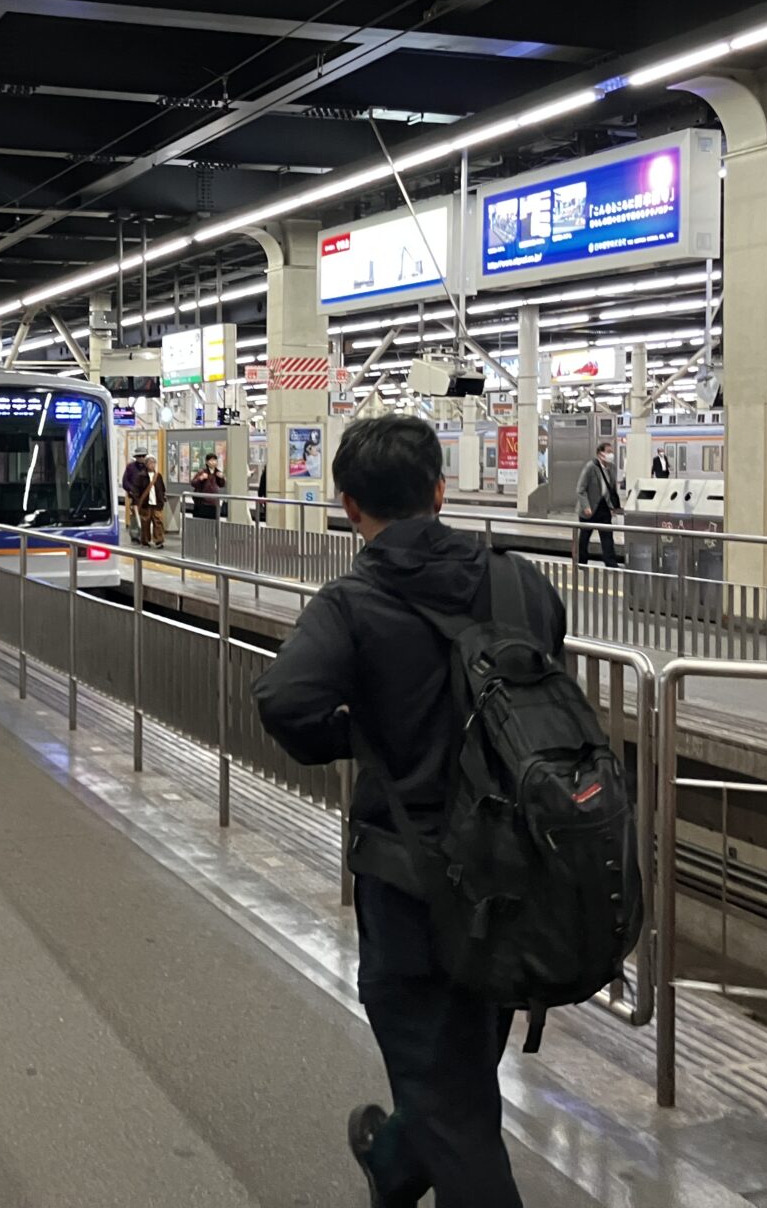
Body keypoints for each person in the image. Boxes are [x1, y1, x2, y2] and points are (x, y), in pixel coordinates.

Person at [253, 416, 565, 1208]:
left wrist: (357, 735)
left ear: (349, 506)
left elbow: (285, 701)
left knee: (453, 1105)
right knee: (458, 1069)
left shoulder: (352, 602)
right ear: (440, 491)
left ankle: (410, 1159)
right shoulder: (521, 585)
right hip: (518, 874)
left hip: (413, 881)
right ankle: (392, 1162)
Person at [575, 440, 622, 568]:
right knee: (584, 537)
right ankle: (582, 562)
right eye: (608, 452)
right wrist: (586, 507)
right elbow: (580, 489)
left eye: (612, 452)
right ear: (600, 454)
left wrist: (613, 507)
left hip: (604, 507)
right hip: (589, 507)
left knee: (607, 536)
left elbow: (611, 489)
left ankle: (610, 563)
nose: (611, 454)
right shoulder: (590, 467)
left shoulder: (612, 468)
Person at [132, 455, 168, 547]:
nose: (152, 465)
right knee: (145, 523)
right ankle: (145, 541)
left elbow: (162, 489)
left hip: (157, 504)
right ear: (146, 464)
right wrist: (135, 502)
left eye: (154, 463)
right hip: (146, 504)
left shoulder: (158, 476)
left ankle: (159, 541)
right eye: (150, 463)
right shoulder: (141, 476)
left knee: (158, 523)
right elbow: (136, 490)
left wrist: (162, 499)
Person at [121, 448, 151, 543]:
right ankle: (135, 536)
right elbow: (125, 481)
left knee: (145, 516)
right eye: (139, 456)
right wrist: (131, 490)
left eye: (143, 456)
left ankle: (145, 536)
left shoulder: (148, 467)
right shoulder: (130, 467)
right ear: (136, 457)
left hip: (146, 495)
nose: (141, 458)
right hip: (134, 495)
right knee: (134, 516)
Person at [189, 452, 226, 521]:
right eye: (211, 460)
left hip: (213, 504)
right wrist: (201, 478)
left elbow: (222, 484)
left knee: (212, 524)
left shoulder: (218, 473)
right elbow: (193, 483)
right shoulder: (202, 472)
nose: (213, 462)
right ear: (206, 462)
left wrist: (222, 478)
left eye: (214, 460)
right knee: (201, 522)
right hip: (202, 503)